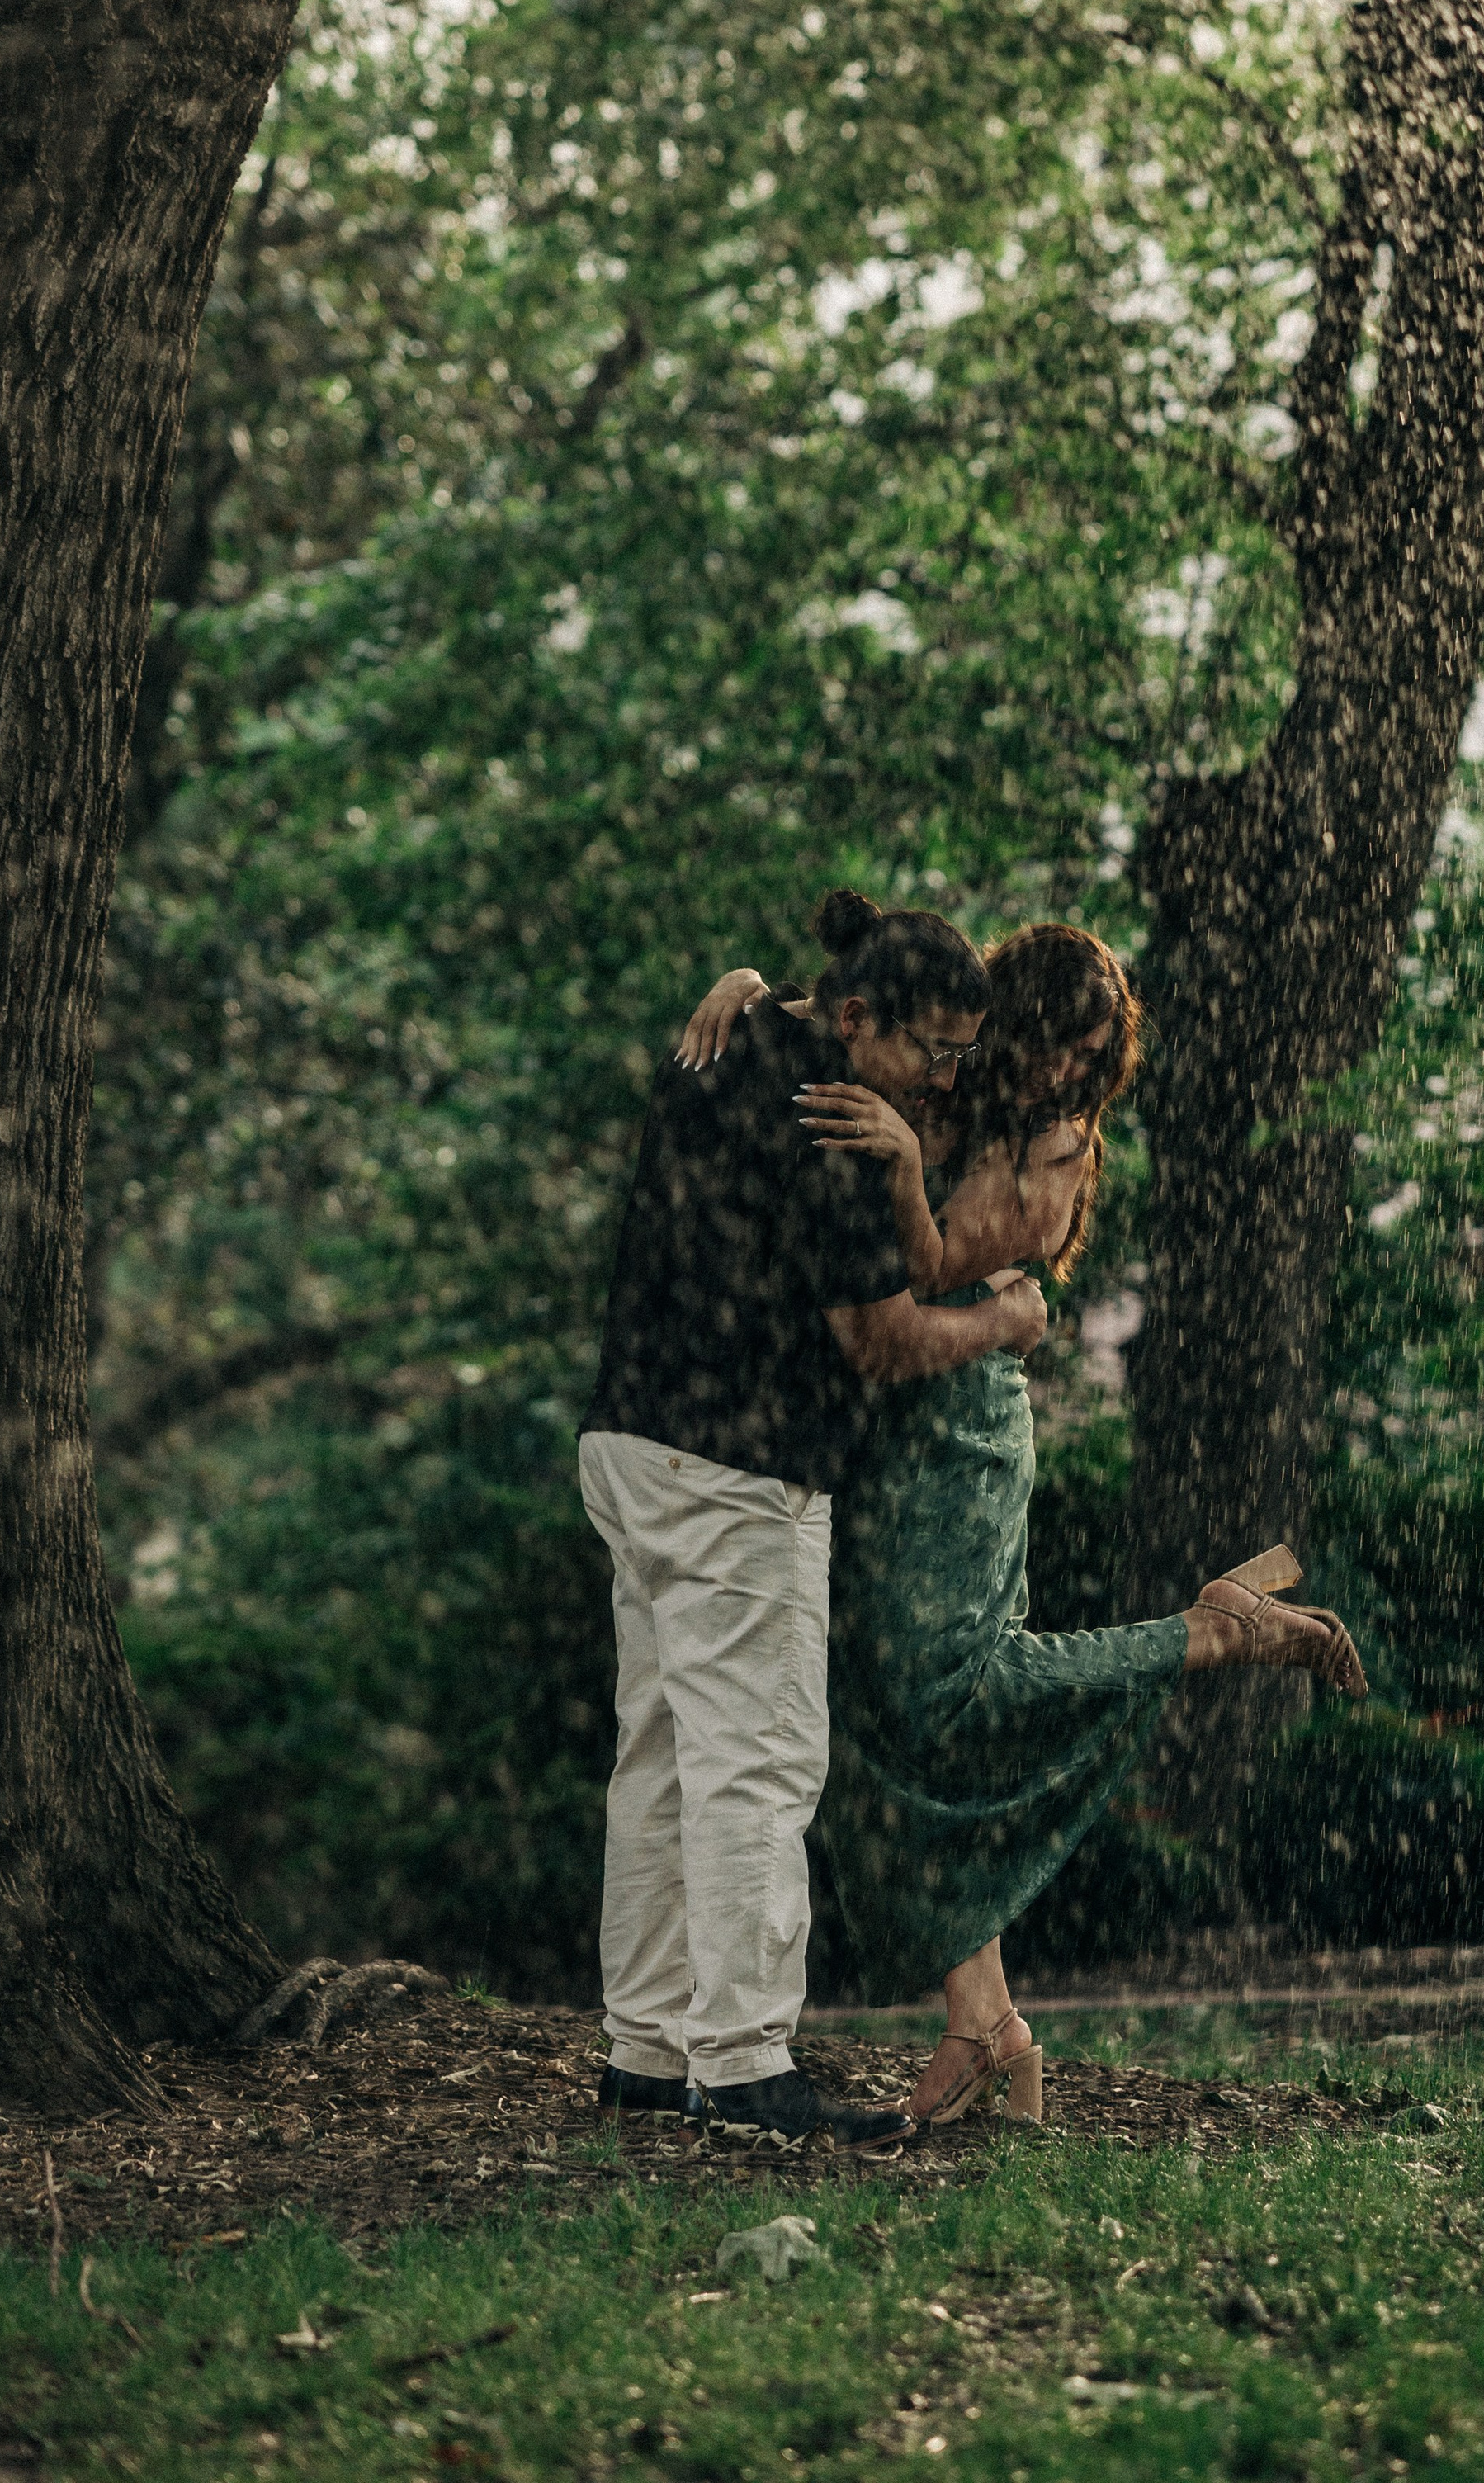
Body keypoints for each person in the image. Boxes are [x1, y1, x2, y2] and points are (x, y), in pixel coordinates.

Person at [678, 920, 1363, 2130]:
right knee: (870, 1727)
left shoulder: (1056, 1143)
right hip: (871, 1424)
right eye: (1052, 1043)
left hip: (956, 1433)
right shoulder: (949, 1078)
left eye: (1091, 1055)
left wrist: (902, 1167)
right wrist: (752, 991)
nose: (1065, 1071)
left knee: (956, 1692)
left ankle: (1209, 1634)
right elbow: (854, 1018)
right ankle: (986, 2023)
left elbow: (941, 1261)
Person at [579, 888, 1049, 2151]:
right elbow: (882, 1342)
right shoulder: (837, 1122)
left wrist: (745, 978)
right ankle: (743, 2066)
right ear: (856, 1020)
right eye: (932, 1051)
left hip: (629, 1439)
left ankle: (645, 2048)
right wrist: (1004, 1323)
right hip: (740, 1466)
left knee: (659, 1753)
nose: (943, 1079)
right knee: (762, 1758)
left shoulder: (724, 1044)